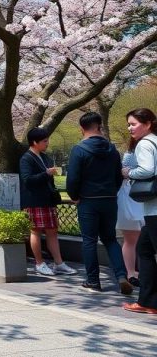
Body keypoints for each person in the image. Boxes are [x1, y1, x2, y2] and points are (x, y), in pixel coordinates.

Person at [66, 111, 132, 294]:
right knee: (110, 239)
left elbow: (72, 179)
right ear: (99, 126)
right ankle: (121, 275)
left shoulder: (79, 150)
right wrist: (112, 192)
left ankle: (93, 281)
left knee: (89, 241)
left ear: (82, 129)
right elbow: (118, 176)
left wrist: (74, 196)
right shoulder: (112, 150)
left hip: (88, 201)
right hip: (110, 200)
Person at [19, 128, 76, 276]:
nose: (47, 143)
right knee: (35, 231)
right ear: (34, 142)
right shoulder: (26, 158)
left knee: (52, 231)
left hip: (48, 199)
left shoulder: (45, 157)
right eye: (44, 141)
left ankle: (59, 263)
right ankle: (39, 263)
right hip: (34, 200)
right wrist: (46, 174)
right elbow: (27, 180)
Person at [123, 108, 157, 314]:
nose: (130, 128)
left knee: (145, 251)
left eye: (133, 124)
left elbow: (146, 170)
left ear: (148, 123)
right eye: (129, 124)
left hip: (154, 209)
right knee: (144, 250)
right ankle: (148, 301)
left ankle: (148, 301)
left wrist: (129, 173)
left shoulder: (144, 144)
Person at [117, 130, 145, 288]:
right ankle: (131, 273)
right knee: (131, 239)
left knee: (132, 240)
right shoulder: (130, 152)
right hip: (131, 196)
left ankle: (133, 273)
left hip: (135, 196)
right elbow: (123, 173)